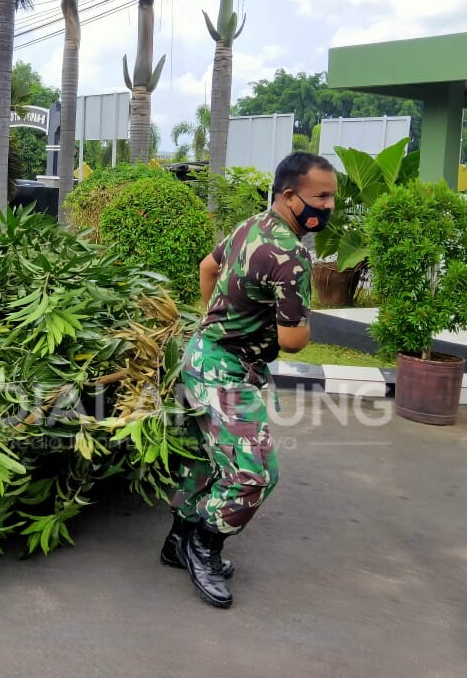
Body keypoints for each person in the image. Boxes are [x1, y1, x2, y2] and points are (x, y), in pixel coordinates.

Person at [162, 151, 337, 608]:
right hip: (225, 374)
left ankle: (177, 541)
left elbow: (207, 267)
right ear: (290, 196)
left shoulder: (250, 225)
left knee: (206, 461)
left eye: (333, 197)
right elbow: (294, 340)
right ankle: (203, 547)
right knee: (254, 475)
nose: (329, 206)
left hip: (202, 357)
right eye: (321, 196)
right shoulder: (291, 255)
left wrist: (213, 321)